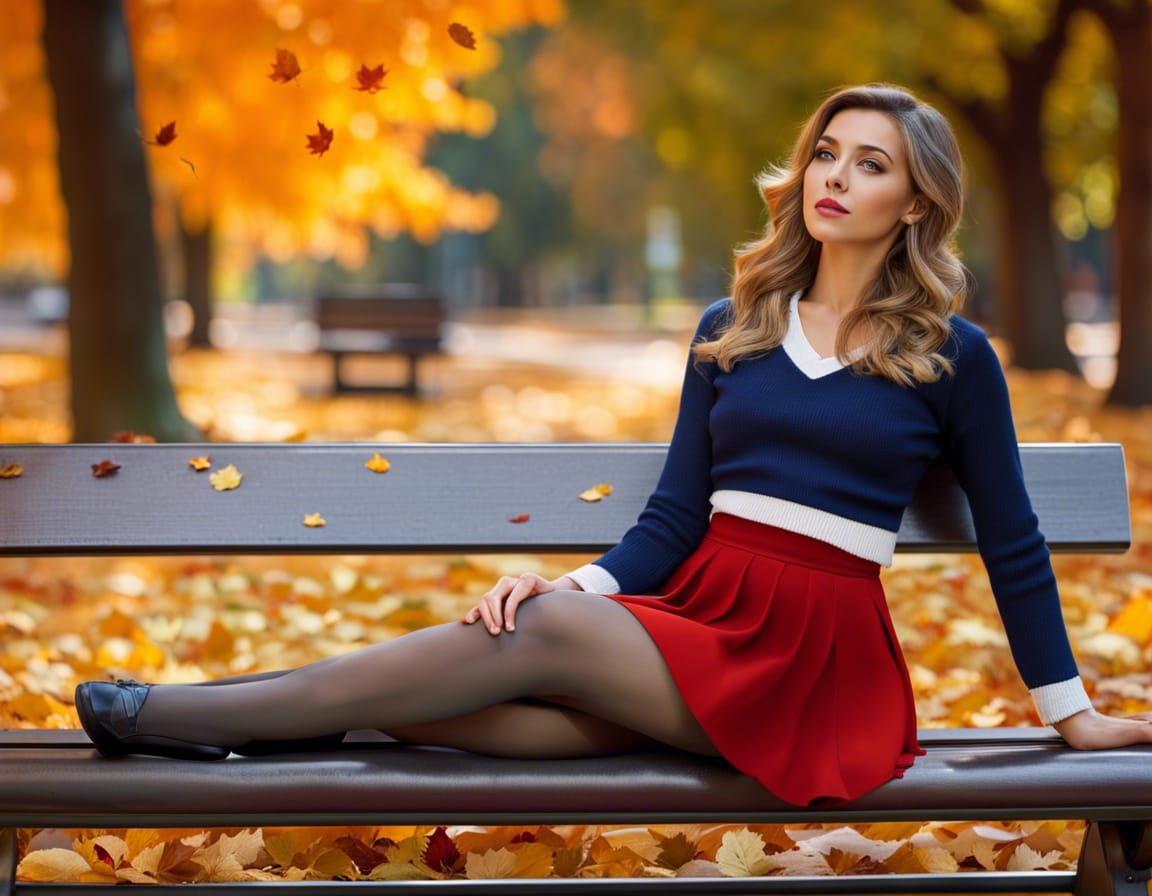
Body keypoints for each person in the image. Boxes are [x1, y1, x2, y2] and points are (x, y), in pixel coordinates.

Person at [74, 82, 1151, 808]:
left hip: (813, 651)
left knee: (523, 642)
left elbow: (1012, 538)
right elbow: (679, 514)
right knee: (448, 715)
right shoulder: (732, 330)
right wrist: (584, 582)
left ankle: (182, 714)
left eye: (869, 165)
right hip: (699, 613)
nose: (833, 175)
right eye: (826, 152)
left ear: (916, 200)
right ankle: (236, 731)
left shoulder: (951, 356)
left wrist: (1073, 712)